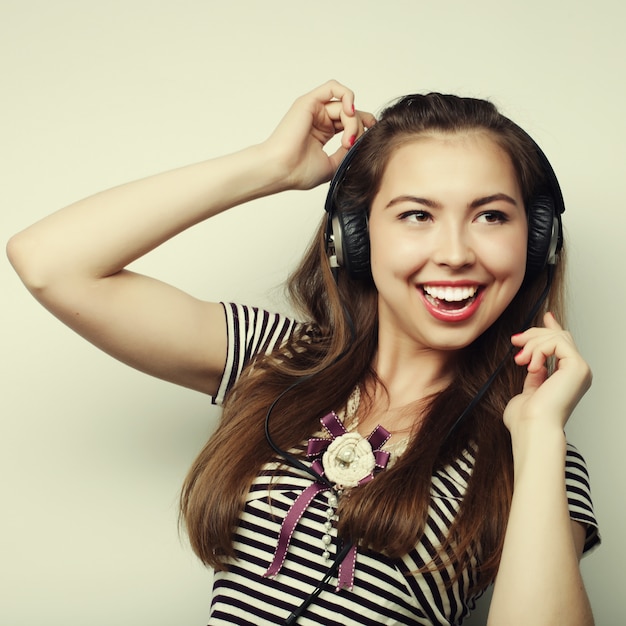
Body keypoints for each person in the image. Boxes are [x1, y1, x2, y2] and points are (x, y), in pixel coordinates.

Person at [7, 80, 600, 625]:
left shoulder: (532, 448)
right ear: (356, 237)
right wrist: (272, 167)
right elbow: (50, 264)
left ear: (538, 240)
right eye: (417, 215)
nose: (453, 253)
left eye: (491, 216)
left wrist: (540, 433)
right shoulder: (279, 360)